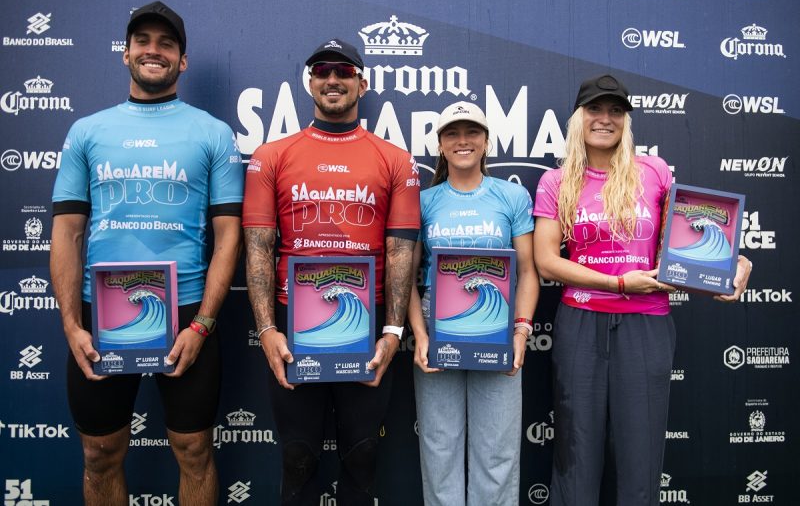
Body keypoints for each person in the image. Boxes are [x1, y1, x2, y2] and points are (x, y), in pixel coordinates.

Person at [50, 1, 243, 506]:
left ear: (183, 60)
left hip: (187, 312)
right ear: (126, 53)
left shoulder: (213, 133)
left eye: (166, 43)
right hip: (101, 313)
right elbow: (67, 232)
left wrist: (202, 324)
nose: (153, 51)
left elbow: (229, 237)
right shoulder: (87, 131)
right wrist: (72, 324)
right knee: (99, 453)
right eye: (143, 41)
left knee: (194, 451)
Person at [532, 74, 752, 505]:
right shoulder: (556, 182)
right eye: (595, 109)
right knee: (576, 455)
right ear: (579, 118)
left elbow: (687, 241)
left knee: (641, 457)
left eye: (616, 110)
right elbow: (546, 261)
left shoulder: (654, 171)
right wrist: (617, 283)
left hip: (646, 325)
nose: (605, 118)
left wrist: (735, 262)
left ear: (626, 120)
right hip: (581, 322)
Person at [242, 38, 420, 505]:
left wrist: (393, 332)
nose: (333, 80)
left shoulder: (395, 159)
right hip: (292, 322)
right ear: (310, 82)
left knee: (362, 459)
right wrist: (266, 330)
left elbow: (401, 251)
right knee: (298, 458)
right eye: (322, 71)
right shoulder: (271, 155)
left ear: (363, 83)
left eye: (344, 71)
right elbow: (258, 247)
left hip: (368, 322)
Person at [407, 101, 539, 505]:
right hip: (437, 325)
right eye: (452, 134)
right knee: (439, 448)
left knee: (497, 451)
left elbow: (528, 272)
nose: (462, 141)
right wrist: (420, 335)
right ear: (440, 145)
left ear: (486, 142)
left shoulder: (512, 196)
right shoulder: (424, 201)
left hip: (497, 326)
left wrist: (521, 332)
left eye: (472, 133)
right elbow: (406, 279)